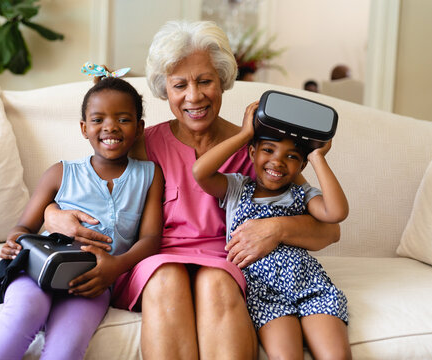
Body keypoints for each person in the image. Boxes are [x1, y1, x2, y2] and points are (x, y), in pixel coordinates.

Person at [43, 20, 341, 360]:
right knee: (167, 276)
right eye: (179, 84)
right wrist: (52, 214)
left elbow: (329, 230)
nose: (193, 96)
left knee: (215, 281)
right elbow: (85, 182)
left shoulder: (256, 150)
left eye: (204, 81)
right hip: (154, 262)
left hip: (224, 264)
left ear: (223, 82)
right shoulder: (143, 143)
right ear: (165, 90)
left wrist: (276, 228)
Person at [0, 77, 164, 360]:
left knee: (67, 348)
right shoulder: (60, 173)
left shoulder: (150, 175)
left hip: (92, 282)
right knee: (24, 314)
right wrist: (13, 242)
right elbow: (23, 227)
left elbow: (151, 239)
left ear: (140, 128)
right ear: (84, 128)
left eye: (123, 119)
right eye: (98, 119)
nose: (110, 126)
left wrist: (115, 267)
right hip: (38, 271)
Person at [192, 100, 351, 359]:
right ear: (252, 153)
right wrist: (244, 135)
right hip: (264, 295)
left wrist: (317, 157)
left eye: (291, 157)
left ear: (301, 166)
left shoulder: (303, 194)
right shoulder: (237, 188)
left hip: (310, 285)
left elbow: (336, 213)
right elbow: (200, 172)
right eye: (268, 150)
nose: (277, 162)